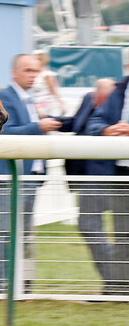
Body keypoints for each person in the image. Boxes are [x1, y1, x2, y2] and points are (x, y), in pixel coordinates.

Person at [0, 54, 63, 286]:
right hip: (11, 179)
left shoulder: (29, 99)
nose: (33, 76)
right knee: (7, 232)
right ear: (15, 73)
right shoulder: (4, 97)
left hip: (31, 178)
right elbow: (3, 132)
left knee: (20, 233)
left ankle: (14, 282)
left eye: (36, 71)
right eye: (28, 71)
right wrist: (38, 126)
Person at [61, 78, 121, 293]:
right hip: (87, 177)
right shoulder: (89, 99)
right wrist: (50, 122)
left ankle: (115, 279)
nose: (101, 103)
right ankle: (113, 278)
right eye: (99, 99)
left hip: (110, 177)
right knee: (88, 226)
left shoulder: (116, 99)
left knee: (108, 229)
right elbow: (78, 123)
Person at [85, 69, 129, 293]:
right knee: (122, 236)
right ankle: (118, 289)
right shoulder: (119, 91)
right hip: (121, 175)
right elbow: (96, 121)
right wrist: (108, 130)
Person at [31, 50, 65, 118]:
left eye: (38, 59)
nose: (35, 61)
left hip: (44, 104)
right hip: (34, 103)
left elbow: (54, 90)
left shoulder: (47, 74)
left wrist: (61, 105)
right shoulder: (34, 73)